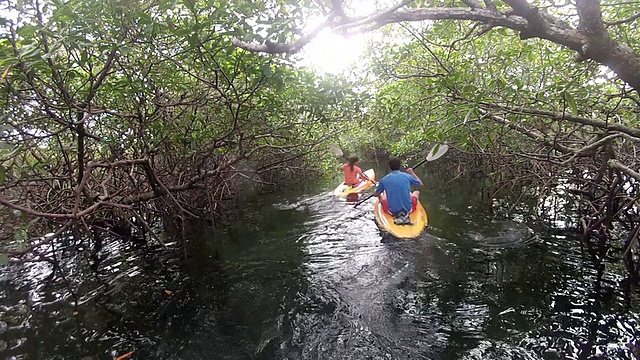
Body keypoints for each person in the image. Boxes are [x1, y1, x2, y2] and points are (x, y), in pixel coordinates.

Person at [374, 157, 423, 225]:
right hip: (408, 209)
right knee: (416, 192)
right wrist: (412, 172)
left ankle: (380, 203)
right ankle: (407, 213)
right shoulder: (407, 176)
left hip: (392, 211)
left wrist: (377, 193)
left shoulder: (384, 179)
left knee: (380, 195)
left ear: (389, 167)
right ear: (400, 166)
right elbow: (420, 184)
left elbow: (376, 194)